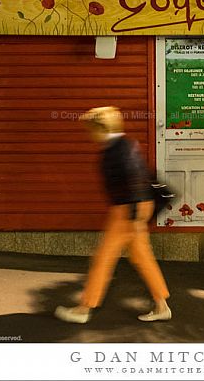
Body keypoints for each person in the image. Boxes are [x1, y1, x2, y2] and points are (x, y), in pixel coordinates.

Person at [54, 106, 172, 324]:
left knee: (104, 257)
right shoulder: (122, 145)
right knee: (141, 257)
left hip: (127, 209)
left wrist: (135, 215)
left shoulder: (118, 149)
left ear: (100, 128)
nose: (89, 134)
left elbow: (135, 177)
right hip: (133, 208)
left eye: (91, 129)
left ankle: (83, 308)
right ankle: (161, 305)